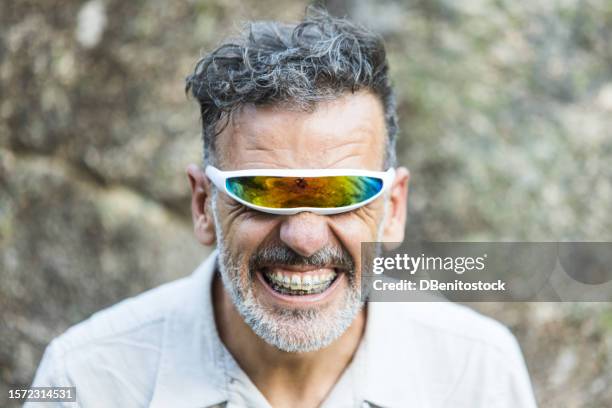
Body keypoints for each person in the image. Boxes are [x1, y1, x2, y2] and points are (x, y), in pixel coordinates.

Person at [28, 9, 537, 408]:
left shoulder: (479, 373)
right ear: (204, 204)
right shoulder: (85, 382)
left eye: (343, 192)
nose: (304, 236)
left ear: (394, 207)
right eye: (263, 190)